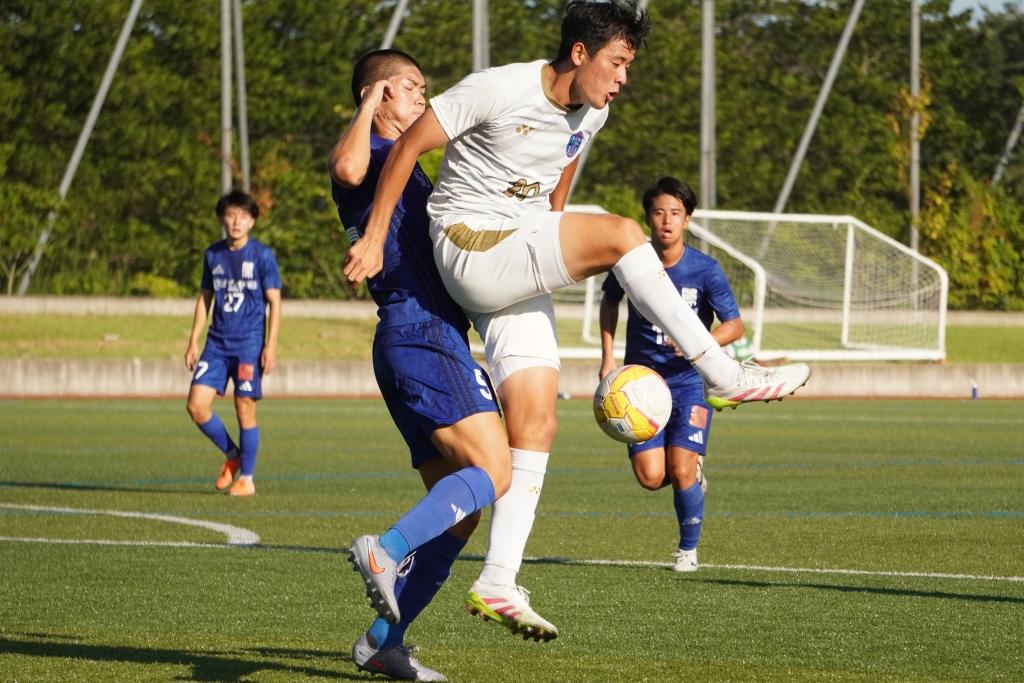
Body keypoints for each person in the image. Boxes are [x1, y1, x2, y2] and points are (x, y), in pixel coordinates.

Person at [343, 0, 809, 641]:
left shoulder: (594, 110)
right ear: (581, 53)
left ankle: (498, 579)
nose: (623, 78)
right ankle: (723, 373)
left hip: (517, 255)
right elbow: (405, 151)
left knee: (536, 420)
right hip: (468, 243)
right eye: (617, 62)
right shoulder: (499, 86)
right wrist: (373, 239)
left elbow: (560, 175)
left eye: (629, 66)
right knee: (621, 233)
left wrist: (554, 239)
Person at [331, 49, 528, 681]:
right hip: (422, 333)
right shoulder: (370, 156)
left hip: (417, 340)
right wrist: (368, 101)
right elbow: (345, 166)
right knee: (495, 470)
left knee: (462, 514)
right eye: (412, 86)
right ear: (381, 93)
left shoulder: (408, 163)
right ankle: (385, 551)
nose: (423, 95)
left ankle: (383, 642)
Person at [599, 176, 741, 572]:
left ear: (687, 220)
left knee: (679, 470)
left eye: (675, 213)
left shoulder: (706, 270)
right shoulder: (632, 262)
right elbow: (609, 302)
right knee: (650, 477)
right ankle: (690, 473)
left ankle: (687, 551)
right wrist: (608, 358)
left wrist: (700, 342)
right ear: (648, 218)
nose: (666, 220)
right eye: (659, 212)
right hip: (640, 385)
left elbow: (735, 326)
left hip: (690, 382)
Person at [185, 190, 282, 497]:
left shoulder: (262, 256)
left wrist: (270, 345)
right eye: (230, 215)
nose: (236, 221)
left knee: (244, 407)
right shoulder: (212, 255)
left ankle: (247, 479)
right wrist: (193, 340)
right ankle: (233, 454)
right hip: (216, 344)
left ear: (252, 221)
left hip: (249, 345)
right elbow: (205, 298)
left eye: (243, 216)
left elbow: (275, 303)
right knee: (196, 406)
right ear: (222, 219)